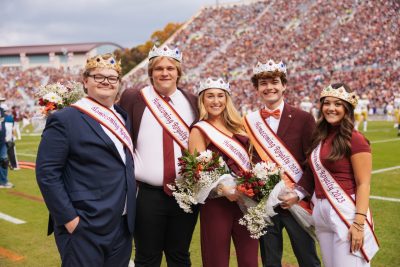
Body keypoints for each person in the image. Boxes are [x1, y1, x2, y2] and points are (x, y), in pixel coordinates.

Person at [36, 53, 136, 266]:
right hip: (85, 224)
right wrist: (71, 220)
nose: (105, 82)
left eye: (112, 78)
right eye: (98, 76)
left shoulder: (122, 116)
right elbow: (47, 173)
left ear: (119, 83)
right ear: (85, 81)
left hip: (122, 224)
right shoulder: (65, 119)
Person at [119, 45, 199, 267]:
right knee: (147, 257)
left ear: (178, 72)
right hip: (146, 195)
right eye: (159, 68)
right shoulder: (135, 98)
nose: (165, 73)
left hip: (185, 193)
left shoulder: (193, 101)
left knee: (180, 255)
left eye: (170, 68)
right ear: (151, 73)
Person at [243, 59, 320, 267]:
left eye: (274, 82)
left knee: (308, 259)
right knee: (270, 261)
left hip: (297, 202)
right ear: (257, 89)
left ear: (284, 85)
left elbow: (314, 162)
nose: (269, 87)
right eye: (263, 84)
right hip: (266, 204)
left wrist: (299, 193)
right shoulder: (249, 121)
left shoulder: (304, 118)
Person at [297, 83, 379, 266]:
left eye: (337, 104)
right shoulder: (319, 137)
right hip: (321, 212)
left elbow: (363, 183)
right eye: (327, 103)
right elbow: (312, 173)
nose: (331, 108)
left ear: (347, 109)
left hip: (345, 212)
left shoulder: (356, 139)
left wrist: (358, 223)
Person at [189, 77, 258, 267]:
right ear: (202, 100)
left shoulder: (240, 127)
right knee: (216, 260)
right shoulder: (199, 130)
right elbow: (196, 171)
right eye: (210, 96)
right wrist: (223, 190)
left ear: (227, 99)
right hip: (217, 204)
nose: (216, 101)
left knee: (250, 260)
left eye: (220, 96)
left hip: (246, 200)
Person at [0, 97, 13, 188]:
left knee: (4, 161)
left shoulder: (1, 111)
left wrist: (7, 138)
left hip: (2, 140)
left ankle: (3, 181)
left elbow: (4, 126)